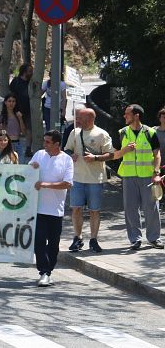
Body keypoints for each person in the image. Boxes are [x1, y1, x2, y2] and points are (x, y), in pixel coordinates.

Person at [111, 104, 162, 250]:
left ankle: (154, 238)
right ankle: (135, 239)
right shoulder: (122, 133)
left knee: (151, 208)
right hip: (128, 176)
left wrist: (156, 172)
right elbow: (114, 155)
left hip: (148, 176)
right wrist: (125, 150)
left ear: (136, 115)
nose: (124, 116)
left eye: (127, 114)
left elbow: (157, 154)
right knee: (130, 209)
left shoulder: (150, 132)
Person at [64, 108, 114, 253]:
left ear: (89, 119)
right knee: (76, 209)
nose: (77, 119)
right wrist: (69, 155)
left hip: (95, 179)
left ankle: (93, 239)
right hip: (77, 178)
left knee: (94, 210)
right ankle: (77, 238)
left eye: (80, 117)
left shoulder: (101, 134)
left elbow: (110, 154)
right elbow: (66, 149)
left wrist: (96, 158)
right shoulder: (74, 132)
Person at [29, 130, 74, 287]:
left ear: (57, 144)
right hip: (39, 208)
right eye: (44, 141)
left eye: (48, 142)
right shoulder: (39, 155)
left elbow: (67, 184)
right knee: (39, 241)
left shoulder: (67, 160)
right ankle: (44, 272)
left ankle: (49, 270)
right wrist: (31, 168)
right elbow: (27, 174)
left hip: (56, 210)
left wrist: (44, 185)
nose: (45, 144)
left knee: (53, 244)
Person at [10, 64, 34, 157]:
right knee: (15, 130)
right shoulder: (16, 81)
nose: (31, 73)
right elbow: (11, 95)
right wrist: (14, 109)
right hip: (17, 110)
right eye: (30, 71)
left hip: (28, 110)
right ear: (24, 72)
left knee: (29, 130)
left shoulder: (31, 82)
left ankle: (28, 148)